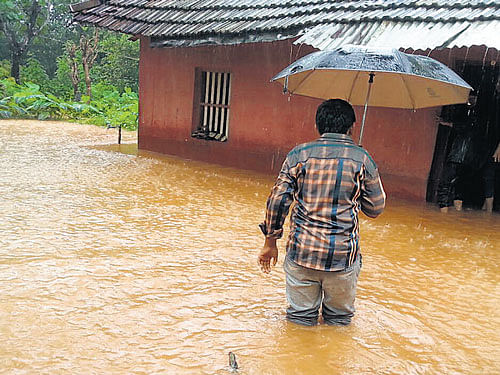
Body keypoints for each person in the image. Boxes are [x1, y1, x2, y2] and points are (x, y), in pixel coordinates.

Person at [258, 99, 386, 326]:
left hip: (302, 255)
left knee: (299, 320)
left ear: (318, 126)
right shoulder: (362, 159)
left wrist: (270, 243)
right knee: (338, 322)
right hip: (342, 259)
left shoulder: (299, 155)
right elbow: (375, 209)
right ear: (351, 127)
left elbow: (278, 200)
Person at [436, 92, 479, 213]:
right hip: (468, 158)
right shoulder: (472, 113)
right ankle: (454, 215)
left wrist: (448, 123)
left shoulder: (474, 115)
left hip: (459, 156)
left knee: (445, 183)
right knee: (459, 187)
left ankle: (443, 213)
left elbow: (465, 127)